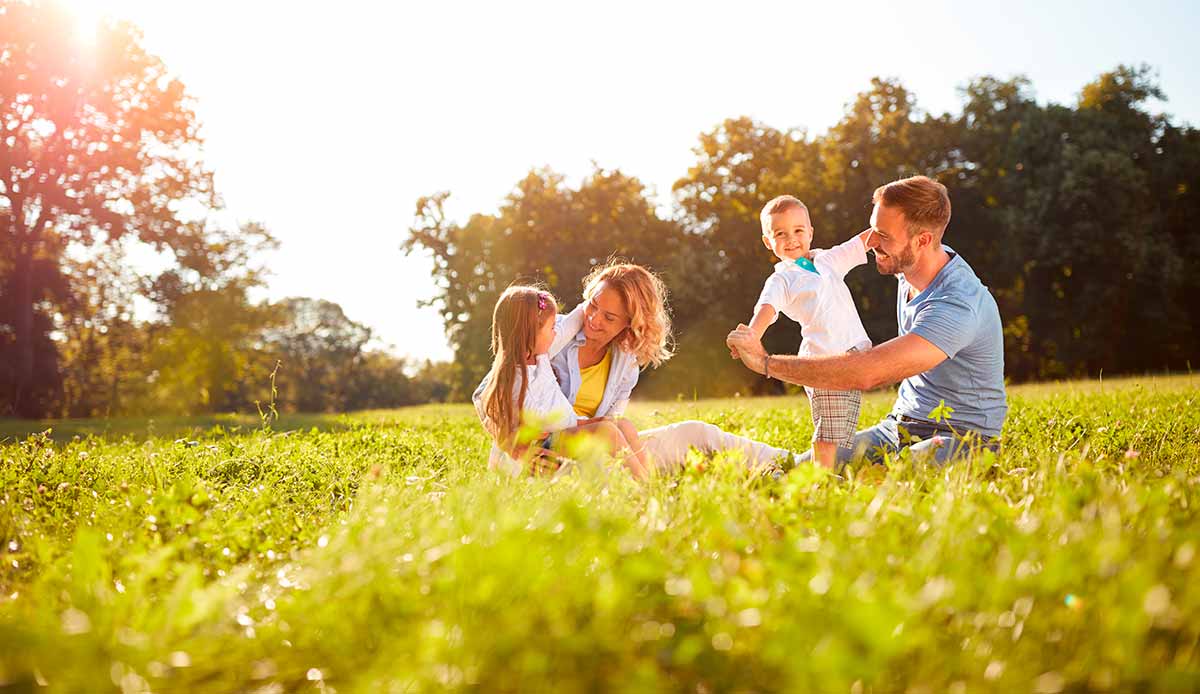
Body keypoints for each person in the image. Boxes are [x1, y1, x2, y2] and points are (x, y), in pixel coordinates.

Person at [727, 175, 1007, 466]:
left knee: (904, 470)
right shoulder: (909, 267)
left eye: (883, 236)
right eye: (874, 230)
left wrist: (766, 363)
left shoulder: (957, 303)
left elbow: (866, 373)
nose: (873, 243)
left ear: (922, 240)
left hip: (962, 437)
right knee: (809, 468)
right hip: (897, 429)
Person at [549, 261, 802, 474]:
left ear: (629, 323)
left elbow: (613, 427)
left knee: (696, 433)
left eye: (609, 317)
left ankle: (793, 464)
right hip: (548, 453)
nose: (594, 319)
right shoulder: (550, 334)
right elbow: (513, 389)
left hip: (599, 449)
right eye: (593, 305)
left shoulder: (625, 362)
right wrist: (521, 449)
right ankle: (646, 490)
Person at [472, 285, 650, 479]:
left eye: (609, 316)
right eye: (551, 328)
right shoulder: (515, 373)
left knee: (622, 424)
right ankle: (645, 486)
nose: (556, 331)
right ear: (531, 333)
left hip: (564, 428)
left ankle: (650, 479)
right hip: (542, 444)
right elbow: (486, 398)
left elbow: (574, 320)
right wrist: (514, 446)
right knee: (607, 431)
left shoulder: (540, 358)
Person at [747, 195, 873, 469]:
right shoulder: (783, 278)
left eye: (798, 230)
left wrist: (891, 228)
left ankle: (827, 471)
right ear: (769, 242)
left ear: (810, 232)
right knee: (828, 430)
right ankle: (821, 477)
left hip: (853, 353)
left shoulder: (827, 260)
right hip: (823, 359)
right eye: (780, 233)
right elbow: (767, 308)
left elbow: (860, 242)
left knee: (840, 426)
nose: (791, 238)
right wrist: (753, 335)